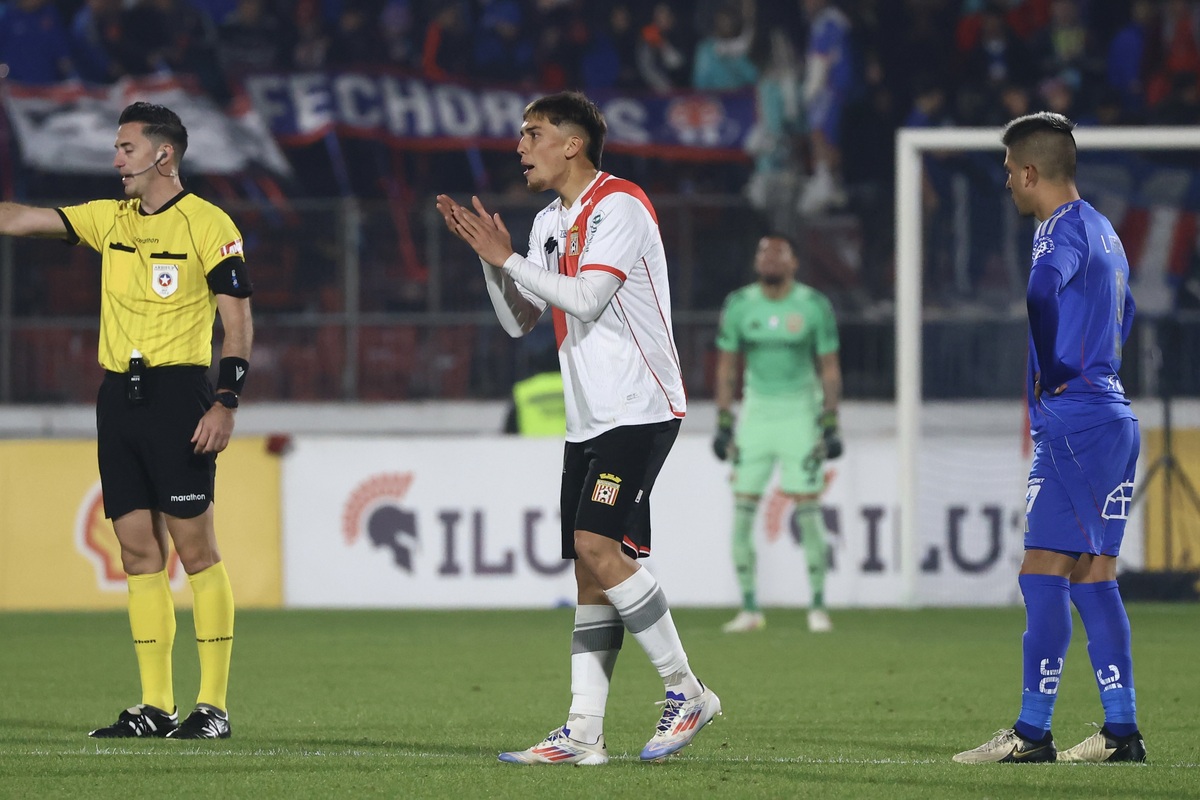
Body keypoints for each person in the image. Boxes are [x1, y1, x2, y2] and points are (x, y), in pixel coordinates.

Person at [435, 91, 719, 765]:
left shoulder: (620, 204)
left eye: (533, 134)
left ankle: (687, 690)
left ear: (573, 144)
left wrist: (507, 259)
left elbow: (590, 296)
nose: (520, 146)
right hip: (589, 414)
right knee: (590, 572)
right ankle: (584, 732)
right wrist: (489, 256)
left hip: (641, 405)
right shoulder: (548, 222)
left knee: (597, 544)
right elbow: (520, 320)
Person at [0, 102, 253, 740]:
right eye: (117, 150)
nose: (116, 161)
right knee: (138, 552)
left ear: (163, 155)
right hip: (118, 397)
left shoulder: (207, 223)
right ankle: (155, 706)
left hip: (180, 395)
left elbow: (238, 320)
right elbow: (21, 219)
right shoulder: (106, 219)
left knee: (196, 552)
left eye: (126, 149)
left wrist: (227, 400)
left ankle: (213, 707)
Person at [954, 112, 1145, 764]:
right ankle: (1122, 732)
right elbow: (1130, 310)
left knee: (1042, 571)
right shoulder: (1106, 230)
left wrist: (1058, 367)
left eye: (1010, 171)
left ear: (1032, 172)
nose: (1007, 182)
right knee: (1095, 576)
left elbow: (1041, 291)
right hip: (1113, 417)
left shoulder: (1056, 229)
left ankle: (1032, 734)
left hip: (1078, 418)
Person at [712, 234, 842, 634]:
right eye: (762, 252)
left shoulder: (813, 306)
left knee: (808, 510)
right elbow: (727, 367)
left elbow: (830, 368)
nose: (768, 258)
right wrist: (723, 419)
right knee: (741, 510)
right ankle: (750, 608)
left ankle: (818, 606)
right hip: (756, 415)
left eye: (777, 253)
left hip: (800, 414)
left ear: (793, 263)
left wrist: (830, 420)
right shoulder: (739, 305)